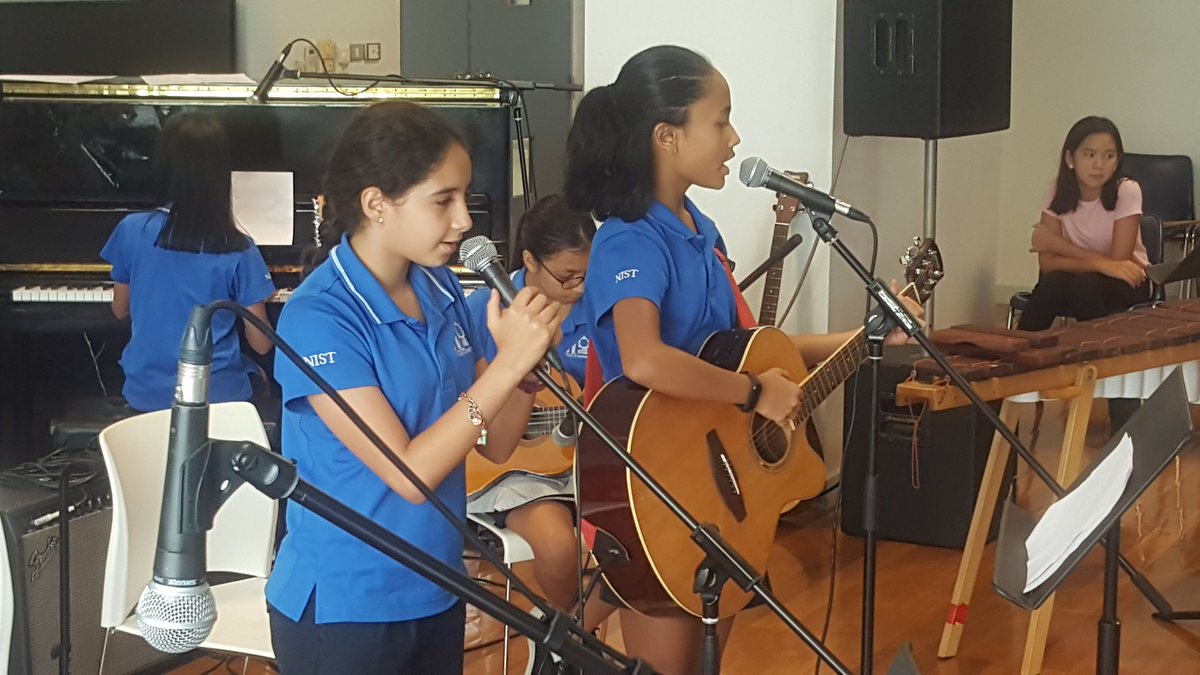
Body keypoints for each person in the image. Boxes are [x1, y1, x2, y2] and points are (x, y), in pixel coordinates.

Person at [564, 45, 920, 674]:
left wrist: (869, 333)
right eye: (721, 120)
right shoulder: (631, 236)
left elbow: (752, 348)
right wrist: (754, 393)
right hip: (654, 486)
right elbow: (645, 359)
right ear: (667, 136)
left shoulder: (701, 232)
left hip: (718, 485)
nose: (735, 138)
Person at [267, 101, 563, 675]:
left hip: (436, 584)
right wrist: (503, 370)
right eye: (443, 200)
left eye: (465, 197)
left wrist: (521, 371)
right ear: (377, 204)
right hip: (347, 603)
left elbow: (496, 445)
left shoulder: (440, 290)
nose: (465, 221)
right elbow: (409, 474)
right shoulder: (318, 317)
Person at [463, 193, 595, 612]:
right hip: (506, 467)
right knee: (559, 548)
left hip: (585, 459)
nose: (579, 289)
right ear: (530, 261)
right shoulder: (481, 310)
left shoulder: (601, 307)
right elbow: (466, 407)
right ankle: (561, 639)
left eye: (587, 276)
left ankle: (570, 631)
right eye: (567, 276)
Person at [100, 112, 275, 412]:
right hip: (217, 398)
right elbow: (262, 343)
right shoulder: (238, 247)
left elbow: (120, 310)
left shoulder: (131, 230)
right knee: (262, 379)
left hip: (146, 395)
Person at [1018, 116, 1148, 331]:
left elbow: (1119, 262)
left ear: (1117, 161)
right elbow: (1048, 264)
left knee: (1084, 285)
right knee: (1052, 283)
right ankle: (1017, 355)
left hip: (1127, 281)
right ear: (1070, 158)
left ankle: (1099, 355)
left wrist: (1057, 245)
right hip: (1074, 280)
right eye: (1089, 155)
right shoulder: (1056, 189)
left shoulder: (1127, 190)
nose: (1099, 165)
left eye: (1109, 156)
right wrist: (1100, 264)